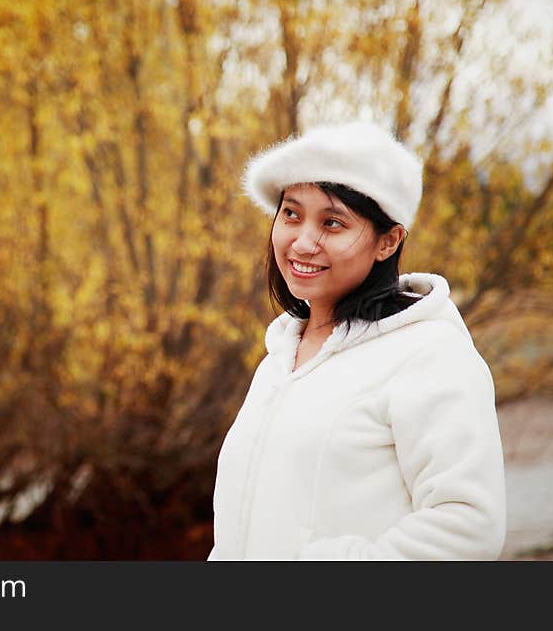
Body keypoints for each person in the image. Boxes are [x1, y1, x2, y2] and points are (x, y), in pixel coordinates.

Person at [207, 121, 506, 560]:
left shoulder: (428, 353)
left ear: (388, 241)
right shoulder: (280, 358)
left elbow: (468, 525)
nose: (303, 241)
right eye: (291, 214)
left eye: (332, 223)